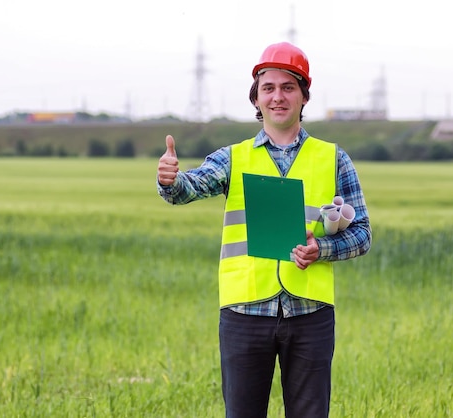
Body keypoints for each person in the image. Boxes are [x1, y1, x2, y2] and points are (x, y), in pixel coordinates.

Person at [157, 42, 372, 418]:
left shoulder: (334, 159)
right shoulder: (233, 157)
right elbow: (187, 189)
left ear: (304, 96)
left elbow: (363, 233)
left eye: (288, 87)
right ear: (256, 99)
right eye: (268, 88)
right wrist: (170, 181)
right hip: (244, 312)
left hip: (310, 315)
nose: (278, 97)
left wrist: (321, 248)